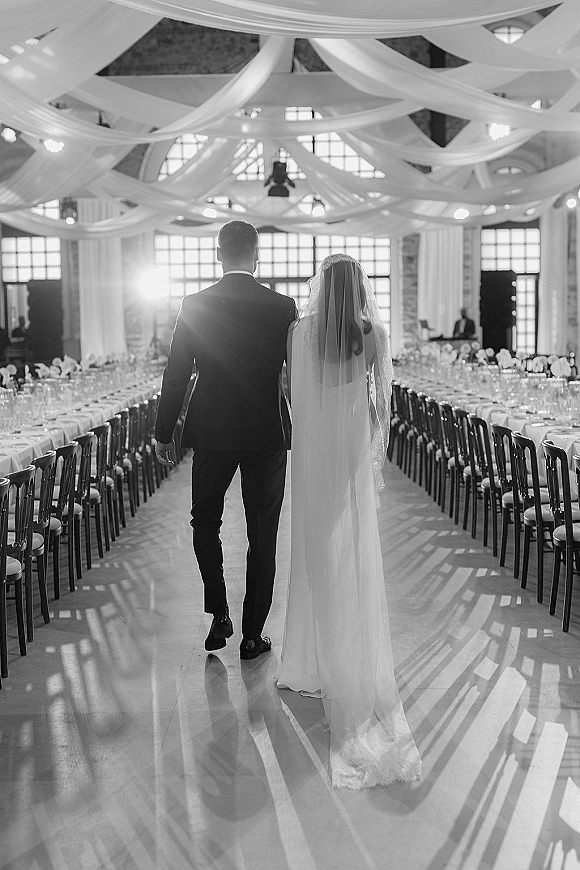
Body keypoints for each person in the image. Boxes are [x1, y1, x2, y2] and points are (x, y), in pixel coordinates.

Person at [276, 253, 421, 789]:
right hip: (350, 455)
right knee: (350, 552)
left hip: (312, 455)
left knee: (313, 555)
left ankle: (310, 659)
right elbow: (382, 405)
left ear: (320, 286)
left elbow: (292, 395)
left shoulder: (301, 332)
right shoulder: (372, 334)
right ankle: (350, 654)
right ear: (359, 286)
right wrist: (365, 445)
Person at [154, 220, 297, 660]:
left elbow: (176, 374)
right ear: (257, 256)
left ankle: (219, 613)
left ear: (219, 254)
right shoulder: (282, 306)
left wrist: (164, 433)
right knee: (263, 533)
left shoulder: (195, 303)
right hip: (267, 430)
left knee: (204, 522)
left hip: (213, 429)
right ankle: (253, 635)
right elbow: (299, 374)